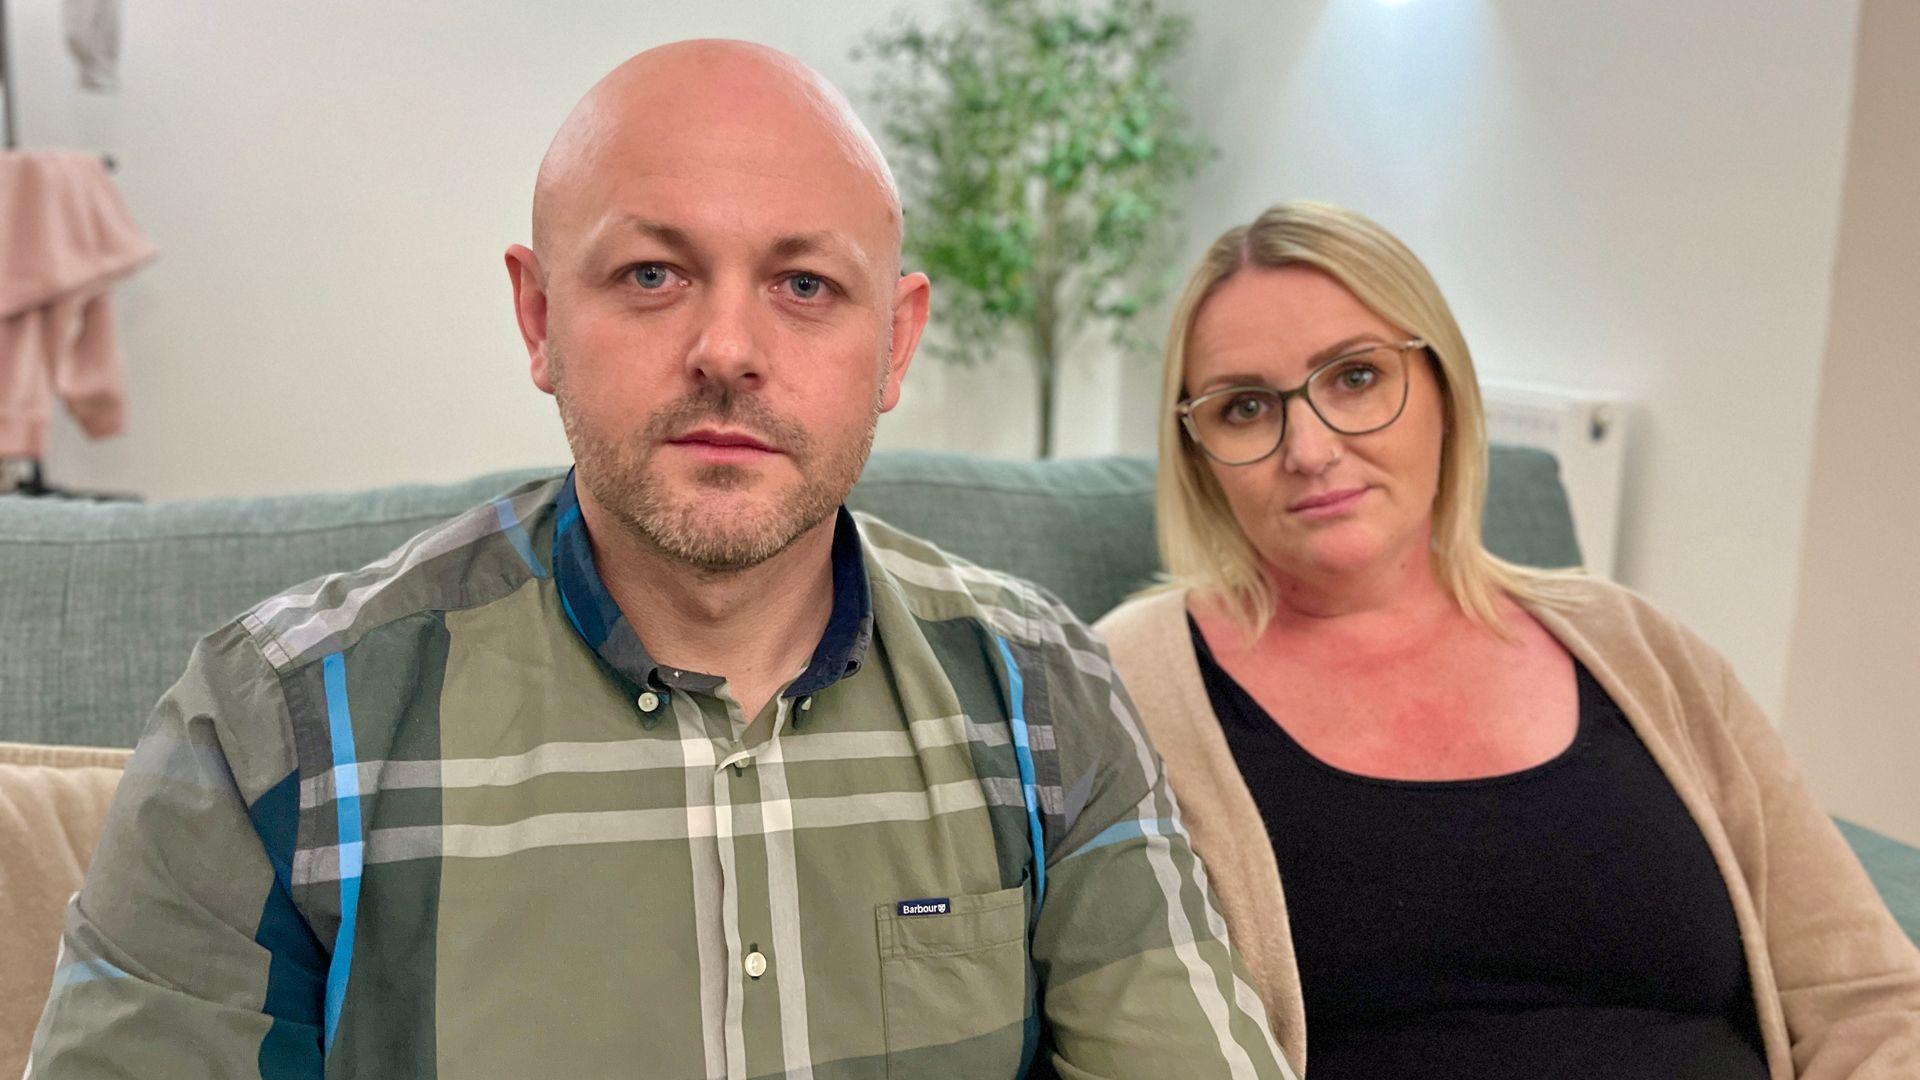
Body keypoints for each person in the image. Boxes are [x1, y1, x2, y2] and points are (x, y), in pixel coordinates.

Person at [25, 42, 1294, 1080]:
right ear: (538, 316)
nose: (727, 348)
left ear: (895, 341)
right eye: (650, 273)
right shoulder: (272, 728)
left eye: (803, 285)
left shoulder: (1041, 695)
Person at [1096, 200, 1920, 1079]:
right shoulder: (1125, 686)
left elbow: (1865, 999)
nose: (1309, 447)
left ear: (1446, 390)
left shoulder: (1645, 650)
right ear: (1195, 453)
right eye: (1246, 407)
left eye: (1357, 378)